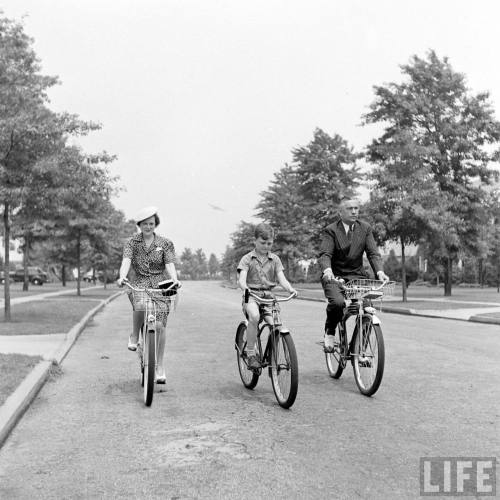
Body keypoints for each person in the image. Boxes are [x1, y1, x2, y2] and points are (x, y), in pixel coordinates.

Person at [117, 206, 181, 384]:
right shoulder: (132, 243)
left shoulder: (165, 243)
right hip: (140, 282)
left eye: (151, 223)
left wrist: (174, 279)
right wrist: (122, 276)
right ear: (139, 225)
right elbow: (126, 261)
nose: (148, 227)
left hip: (161, 285)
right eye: (145, 224)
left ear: (156, 224)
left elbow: (169, 264)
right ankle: (135, 336)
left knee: (160, 326)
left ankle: (159, 366)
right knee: (140, 303)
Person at [318, 198, 389, 351]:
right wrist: (327, 270)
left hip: (357, 276)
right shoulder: (331, 230)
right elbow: (325, 254)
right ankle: (330, 332)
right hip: (335, 276)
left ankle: (360, 348)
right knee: (337, 303)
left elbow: (373, 253)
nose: (354, 211)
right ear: (340, 212)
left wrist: (380, 271)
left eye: (356, 208)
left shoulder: (365, 228)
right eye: (350, 208)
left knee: (368, 308)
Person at [237, 223, 297, 369]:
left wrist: (290, 289)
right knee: (255, 317)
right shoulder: (247, 259)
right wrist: (244, 287)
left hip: (269, 297)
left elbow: (281, 278)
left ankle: (273, 355)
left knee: (276, 325)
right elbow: (241, 279)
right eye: (262, 243)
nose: (266, 246)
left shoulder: (275, 259)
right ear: (255, 241)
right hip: (251, 295)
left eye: (269, 243)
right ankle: (251, 353)